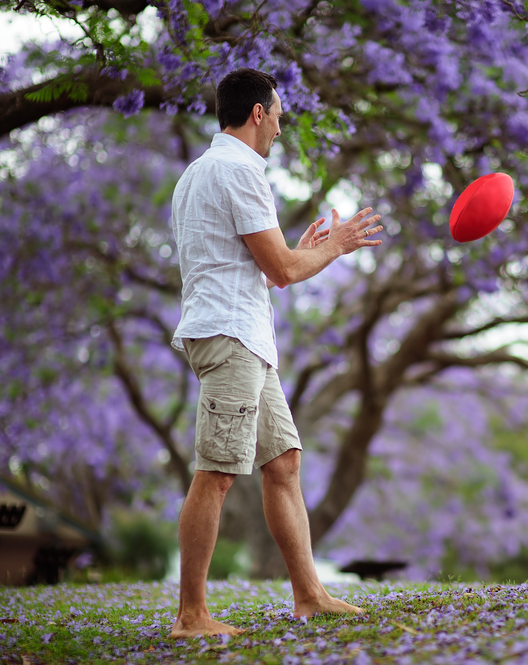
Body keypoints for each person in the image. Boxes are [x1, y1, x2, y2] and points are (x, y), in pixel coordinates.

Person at [168, 68, 384, 638]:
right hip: (232, 338)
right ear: (258, 113)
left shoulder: (199, 172)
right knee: (216, 472)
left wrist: (303, 251)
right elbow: (283, 271)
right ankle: (191, 616)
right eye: (279, 117)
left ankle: (309, 594)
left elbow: (263, 264)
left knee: (283, 462)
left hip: (244, 336)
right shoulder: (238, 170)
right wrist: (334, 247)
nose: (281, 131)